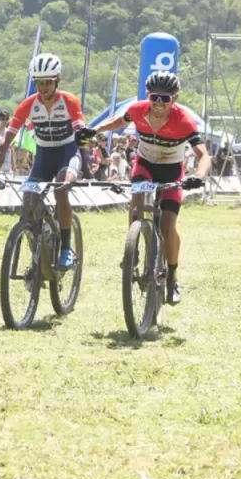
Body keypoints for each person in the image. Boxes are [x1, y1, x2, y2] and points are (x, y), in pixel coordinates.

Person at [80, 71, 210, 305]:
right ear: (148, 95)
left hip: (172, 170)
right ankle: (133, 250)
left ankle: (172, 277)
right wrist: (96, 130)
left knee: (168, 227)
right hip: (145, 165)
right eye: (154, 97)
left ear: (175, 98)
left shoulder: (184, 121)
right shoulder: (138, 109)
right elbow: (119, 121)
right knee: (137, 199)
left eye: (165, 98)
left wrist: (199, 176)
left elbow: (204, 155)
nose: (158, 103)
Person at [0, 53, 85, 268]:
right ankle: (38, 258)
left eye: (47, 82)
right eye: (38, 83)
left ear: (57, 80)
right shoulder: (28, 105)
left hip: (67, 154)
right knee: (28, 204)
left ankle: (66, 248)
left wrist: (85, 137)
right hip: (43, 157)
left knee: (61, 190)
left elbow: (80, 130)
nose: (42, 87)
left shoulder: (69, 101)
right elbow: (5, 142)